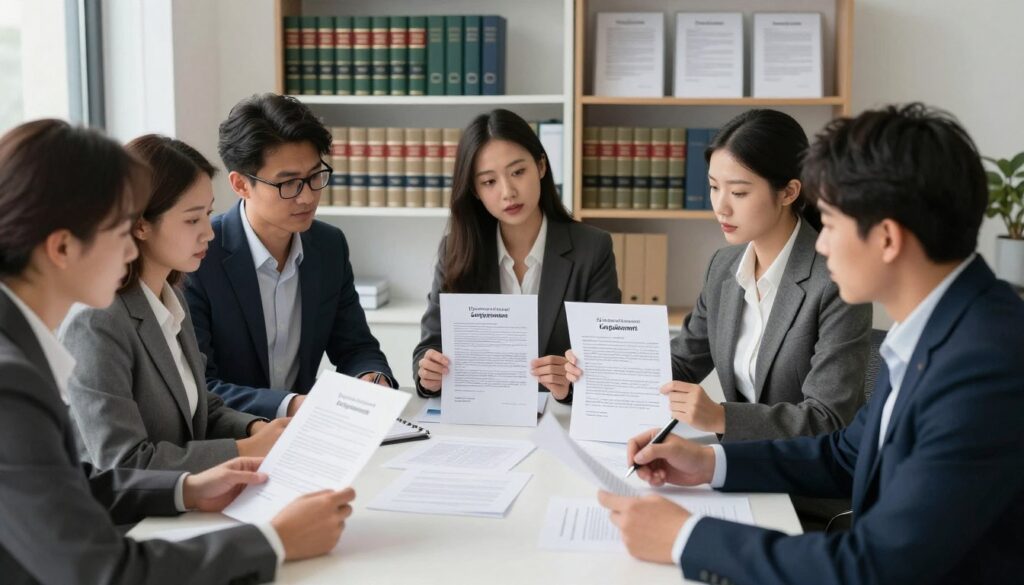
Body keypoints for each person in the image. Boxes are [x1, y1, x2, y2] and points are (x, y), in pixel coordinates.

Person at [598, 103, 1024, 585]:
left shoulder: (985, 365)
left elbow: (877, 566)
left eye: (833, 226)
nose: (820, 245)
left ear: (886, 239)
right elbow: (847, 454)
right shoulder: (937, 329)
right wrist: (707, 462)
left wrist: (686, 539)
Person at [0, 119, 355, 584]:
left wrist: (186, 489)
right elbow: (101, 571)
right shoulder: (12, 384)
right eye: (120, 230)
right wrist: (275, 541)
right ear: (63, 246)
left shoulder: (22, 357)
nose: (132, 249)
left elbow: (66, 484)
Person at [567, 109, 871, 442]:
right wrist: (591, 375)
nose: (721, 207)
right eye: (713, 187)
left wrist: (721, 417)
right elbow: (682, 363)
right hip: (740, 462)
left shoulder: (838, 280)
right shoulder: (724, 266)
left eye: (739, 193)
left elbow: (827, 418)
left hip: (807, 478)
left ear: (788, 192)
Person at [61, 134, 288, 473]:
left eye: (208, 214)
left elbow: (198, 408)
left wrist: (257, 428)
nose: (209, 233)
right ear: (140, 224)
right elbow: (122, 463)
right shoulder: (97, 322)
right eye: (192, 219)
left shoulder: (170, 298)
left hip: (188, 501)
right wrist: (244, 449)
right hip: (128, 520)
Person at [185, 93, 395, 420]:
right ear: (241, 184)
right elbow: (201, 386)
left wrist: (371, 378)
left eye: (315, 176)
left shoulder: (328, 246)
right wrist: (293, 405)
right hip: (230, 441)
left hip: (304, 437)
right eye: (289, 184)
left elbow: (356, 348)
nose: (308, 196)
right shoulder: (200, 256)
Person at [412, 109, 620, 402]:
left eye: (518, 172)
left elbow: (609, 362)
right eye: (489, 182)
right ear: (475, 190)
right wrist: (428, 376)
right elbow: (430, 347)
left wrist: (568, 386)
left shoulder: (593, 248)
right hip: (482, 418)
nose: (508, 192)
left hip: (559, 421)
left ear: (541, 166)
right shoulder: (456, 250)